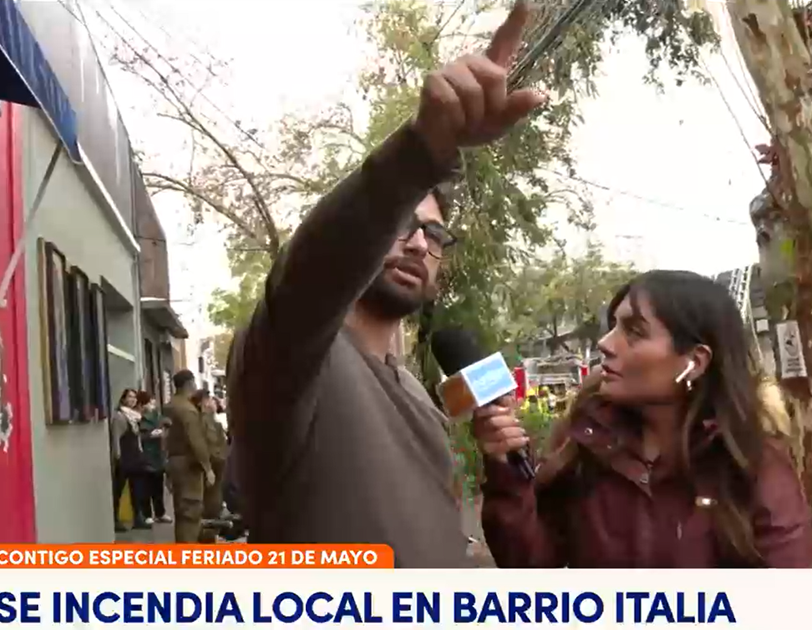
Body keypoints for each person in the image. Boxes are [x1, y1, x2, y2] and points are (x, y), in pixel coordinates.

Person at [226, 1, 544, 566]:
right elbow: (310, 275)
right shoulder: (291, 361)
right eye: (403, 225)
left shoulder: (420, 394)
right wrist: (422, 150)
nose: (420, 244)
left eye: (436, 236)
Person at [473, 270, 812, 567]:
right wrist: (506, 473)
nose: (606, 343)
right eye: (613, 327)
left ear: (693, 363)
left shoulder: (753, 463)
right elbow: (529, 563)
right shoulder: (588, 443)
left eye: (634, 331)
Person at [164, 370, 213, 543]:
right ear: (190, 384)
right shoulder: (187, 409)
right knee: (190, 512)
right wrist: (207, 468)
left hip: (174, 462)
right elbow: (196, 440)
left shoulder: (170, 406)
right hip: (188, 465)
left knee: (181, 510)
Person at [110, 388, 151, 531]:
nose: (132, 400)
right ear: (123, 399)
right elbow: (116, 438)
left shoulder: (135, 417)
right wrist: (117, 457)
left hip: (135, 457)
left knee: (137, 489)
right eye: (129, 397)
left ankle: (138, 517)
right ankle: (114, 519)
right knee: (118, 490)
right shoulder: (120, 417)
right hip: (124, 458)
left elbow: (137, 437)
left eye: (134, 397)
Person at [136, 391, 172, 525]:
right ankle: (147, 514)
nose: (153, 404)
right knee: (146, 488)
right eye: (150, 402)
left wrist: (164, 428)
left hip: (158, 454)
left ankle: (160, 512)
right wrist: (151, 434)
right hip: (146, 456)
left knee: (158, 487)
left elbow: (166, 421)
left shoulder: (157, 416)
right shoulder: (139, 418)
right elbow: (139, 436)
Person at [197, 389, 229, 524]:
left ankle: (214, 515)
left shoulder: (213, 420)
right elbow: (209, 442)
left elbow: (221, 441)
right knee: (211, 492)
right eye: (209, 400)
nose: (212, 403)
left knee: (216, 491)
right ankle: (210, 518)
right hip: (212, 460)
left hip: (218, 460)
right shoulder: (202, 420)